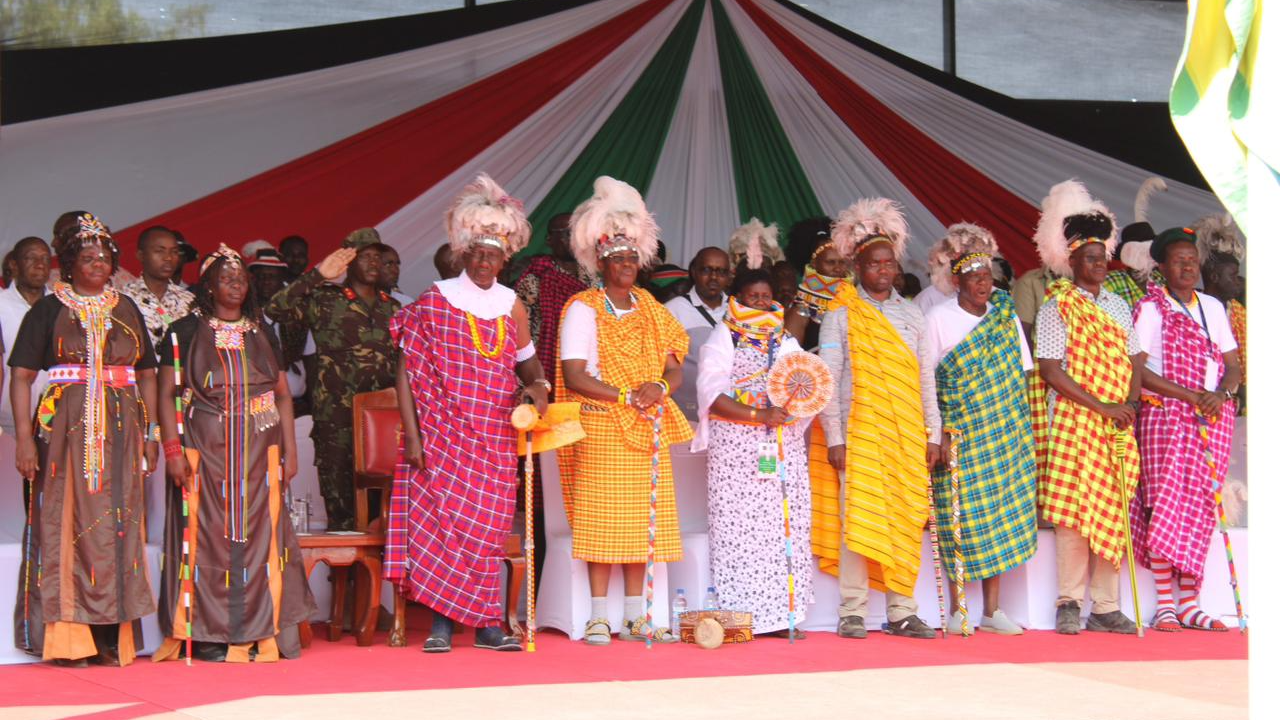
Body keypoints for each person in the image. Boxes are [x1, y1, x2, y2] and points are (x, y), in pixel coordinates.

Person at [387, 175, 549, 653]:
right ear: (462, 253)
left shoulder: (512, 305)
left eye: (493, 255)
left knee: (487, 531)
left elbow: (530, 365)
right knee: (443, 528)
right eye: (476, 253)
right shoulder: (435, 300)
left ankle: (487, 626)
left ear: (505, 259)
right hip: (440, 437)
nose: (484, 262)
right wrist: (413, 437)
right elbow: (404, 373)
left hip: (495, 439)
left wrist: (538, 389)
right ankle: (440, 624)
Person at [10, 214, 159, 666]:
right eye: (88, 257)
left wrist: (152, 433)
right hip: (61, 433)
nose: (98, 263)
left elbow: (148, 375)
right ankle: (71, 639)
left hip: (121, 430)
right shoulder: (49, 309)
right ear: (70, 264)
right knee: (64, 522)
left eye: (105, 256)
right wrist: (21, 439)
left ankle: (113, 636)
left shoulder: (127, 308)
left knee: (119, 525)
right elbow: (20, 377)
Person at [154, 245, 315, 662]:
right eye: (226, 277)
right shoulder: (182, 331)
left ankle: (264, 630)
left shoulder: (261, 331)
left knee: (261, 537)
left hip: (262, 450)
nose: (236, 284)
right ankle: (209, 633)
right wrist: (172, 450)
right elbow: (167, 395)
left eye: (241, 277)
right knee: (209, 538)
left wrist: (290, 452)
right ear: (207, 285)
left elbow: (282, 396)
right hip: (205, 448)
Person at [557, 176, 692, 646]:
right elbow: (574, 375)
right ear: (601, 262)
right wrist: (623, 396)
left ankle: (636, 617)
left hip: (646, 425)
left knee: (641, 523)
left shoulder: (653, 308)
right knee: (602, 522)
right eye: (617, 258)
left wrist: (656, 386)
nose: (627, 265)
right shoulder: (583, 308)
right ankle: (598, 616)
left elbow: (674, 368)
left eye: (633, 257)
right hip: (602, 423)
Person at [817, 199, 935, 640]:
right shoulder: (841, 314)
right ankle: (853, 609)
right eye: (873, 264)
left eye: (888, 263)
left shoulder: (912, 314)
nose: (882, 271)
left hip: (906, 436)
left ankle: (902, 608)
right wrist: (834, 437)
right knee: (859, 519)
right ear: (857, 267)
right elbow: (830, 379)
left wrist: (933, 434)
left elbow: (926, 382)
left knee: (905, 517)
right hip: (860, 435)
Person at [1029, 180, 1140, 635]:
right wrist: (1101, 406)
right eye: (1088, 258)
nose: (1098, 265)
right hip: (1077, 421)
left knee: (1112, 509)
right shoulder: (1058, 307)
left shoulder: (1118, 305)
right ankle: (1069, 603)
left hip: (1116, 421)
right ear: (1070, 261)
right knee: (1076, 515)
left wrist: (1129, 402)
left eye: (1102, 258)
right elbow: (1051, 370)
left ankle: (1107, 605)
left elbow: (1136, 359)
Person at [921, 224, 1037, 636]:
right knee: (958, 519)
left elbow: (1019, 373)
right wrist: (938, 434)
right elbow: (928, 380)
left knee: (1000, 517)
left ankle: (992, 611)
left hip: (1002, 433)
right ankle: (958, 609)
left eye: (987, 278)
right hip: (960, 435)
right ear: (957, 282)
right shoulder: (937, 318)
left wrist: (1019, 430)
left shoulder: (1004, 316)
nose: (982, 286)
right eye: (973, 280)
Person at [694, 259, 813, 638]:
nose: (761, 303)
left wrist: (796, 405)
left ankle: (782, 617)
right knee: (740, 535)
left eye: (766, 297)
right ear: (737, 299)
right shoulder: (724, 335)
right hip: (736, 453)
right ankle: (742, 617)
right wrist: (757, 413)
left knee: (782, 531)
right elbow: (712, 395)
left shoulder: (785, 339)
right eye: (753, 297)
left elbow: (804, 381)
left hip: (782, 447)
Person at [1131, 227, 1240, 632]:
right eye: (1179, 260)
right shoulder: (1150, 308)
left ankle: (1191, 602)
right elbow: (1137, 371)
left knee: (1199, 510)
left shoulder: (1213, 307)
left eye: (1192, 259)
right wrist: (1191, 395)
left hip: (1211, 420)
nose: (1188, 266)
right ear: (1161, 266)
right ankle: (1165, 604)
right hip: (1165, 418)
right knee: (1165, 507)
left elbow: (1232, 365)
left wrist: (1221, 395)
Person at [266, 228, 400, 530]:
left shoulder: (393, 308)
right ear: (346, 262)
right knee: (343, 518)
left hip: (383, 424)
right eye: (364, 256)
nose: (373, 263)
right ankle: (343, 578)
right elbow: (274, 308)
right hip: (336, 423)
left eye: (378, 257)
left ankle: (375, 577)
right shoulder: (324, 300)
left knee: (385, 517)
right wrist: (317, 275)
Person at [514, 212, 594, 392]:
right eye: (567, 233)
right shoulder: (535, 278)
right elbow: (519, 333)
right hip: (544, 366)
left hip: (586, 365)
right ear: (550, 240)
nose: (575, 239)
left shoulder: (592, 278)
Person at [664, 246, 730, 422]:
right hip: (687, 415)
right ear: (694, 272)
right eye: (707, 270)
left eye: (721, 272)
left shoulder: (739, 311)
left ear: (729, 276)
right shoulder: (673, 310)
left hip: (731, 417)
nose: (714, 277)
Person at [119, 226, 195, 357]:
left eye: (174, 252)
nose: (168, 258)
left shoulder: (189, 300)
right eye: (160, 251)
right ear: (141, 256)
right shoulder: (124, 299)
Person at [1, 238, 50, 436]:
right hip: (6, 418)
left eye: (45, 259)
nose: (40, 265)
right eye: (31, 258)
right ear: (14, 264)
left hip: (52, 418)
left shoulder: (61, 306)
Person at [1193, 214, 1245, 395]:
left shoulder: (1239, 314)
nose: (1238, 281)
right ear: (1214, 277)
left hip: (1232, 401)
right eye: (1233, 275)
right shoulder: (1191, 307)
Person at [782, 217, 847, 350]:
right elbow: (789, 357)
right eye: (830, 262)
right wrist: (833, 347)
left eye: (841, 262)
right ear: (814, 264)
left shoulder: (855, 302)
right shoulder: (802, 309)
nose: (837, 268)